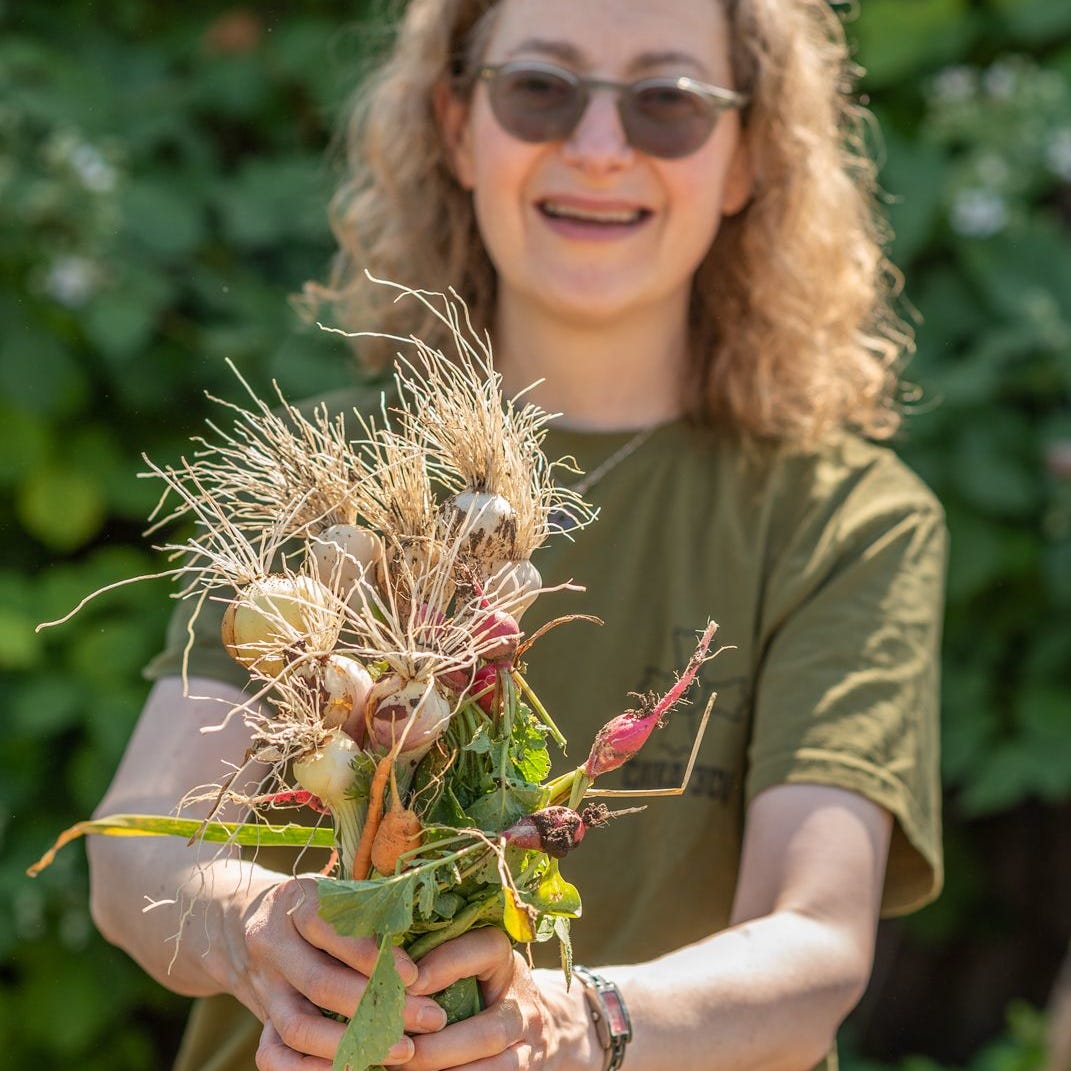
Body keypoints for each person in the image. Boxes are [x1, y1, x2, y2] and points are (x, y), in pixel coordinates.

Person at [87, 1, 947, 1070]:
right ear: (456, 126)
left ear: (745, 158)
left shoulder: (845, 517)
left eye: (668, 101)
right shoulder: (321, 477)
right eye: (541, 88)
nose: (598, 146)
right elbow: (134, 852)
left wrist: (573, 1026)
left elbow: (814, 943)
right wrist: (250, 927)